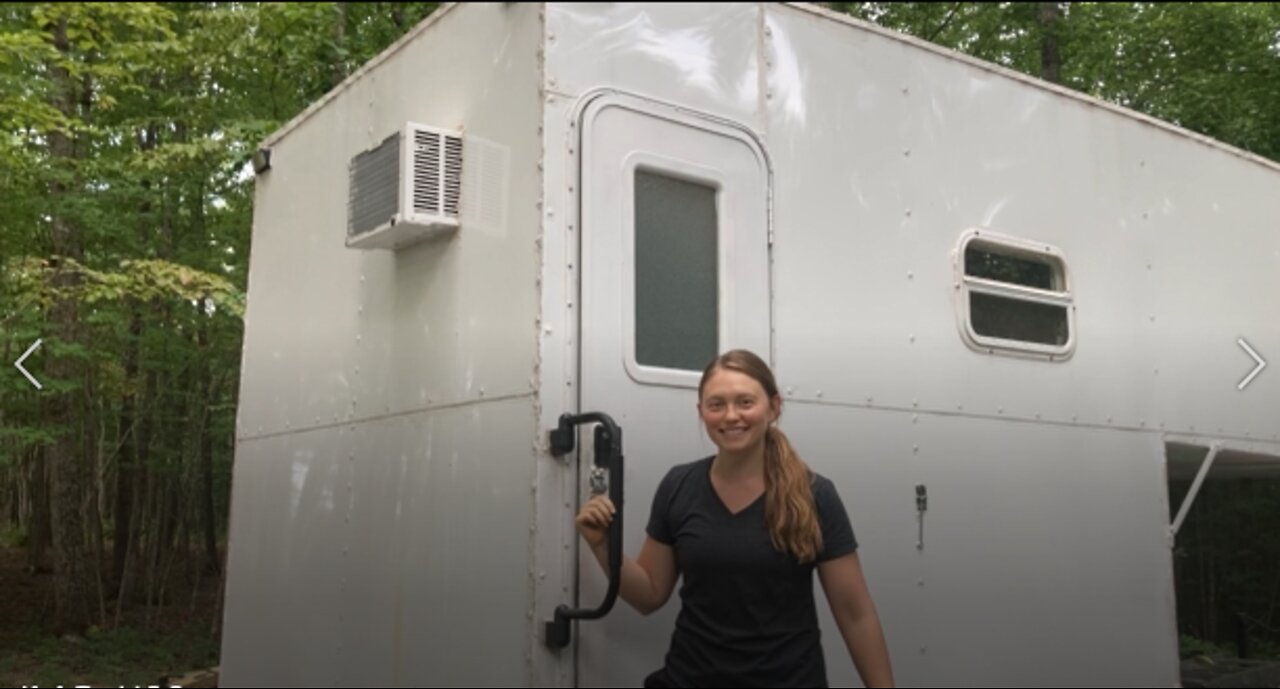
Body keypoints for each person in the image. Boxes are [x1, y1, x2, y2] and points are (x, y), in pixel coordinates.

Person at [576, 349, 895, 688]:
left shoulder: (815, 495)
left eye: (745, 402)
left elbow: (855, 614)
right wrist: (602, 546)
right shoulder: (679, 486)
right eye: (717, 405)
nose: (731, 416)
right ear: (701, 412)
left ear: (774, 407)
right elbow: (649, 595)